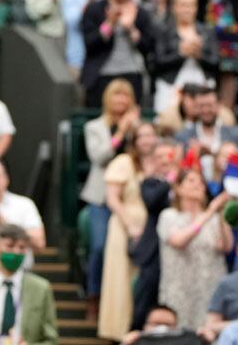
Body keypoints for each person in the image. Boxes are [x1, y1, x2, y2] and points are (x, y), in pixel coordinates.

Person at [80, 79, 139, 316]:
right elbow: (99, 157)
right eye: (117, 95)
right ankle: (93, 295)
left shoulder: (137, 125)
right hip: (101, 199)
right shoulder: (94, 127)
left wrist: (133, 129)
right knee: (99, 247)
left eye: (126, 95)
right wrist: (121, 132)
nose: (121, 100)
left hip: (132, 198)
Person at [98, 120, 158, 341]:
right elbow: (112, 199)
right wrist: (131, 226)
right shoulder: (123, 162)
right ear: (134, 140)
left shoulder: (161, 161)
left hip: (152, 227)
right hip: (125, 226)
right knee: (122, 281)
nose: (147, 140)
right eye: (141, 136)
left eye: (151, 135)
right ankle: (119, 332)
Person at [157, 169, 232, 330]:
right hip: (178, 289)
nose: (198, 184)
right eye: (191, 180)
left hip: (208, 288)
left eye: (201, 181)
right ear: (178, 188)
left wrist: (221, 215)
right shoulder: (169, 216)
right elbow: (180, 241)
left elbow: (226, 246)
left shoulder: (214, 218)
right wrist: (210, 211)